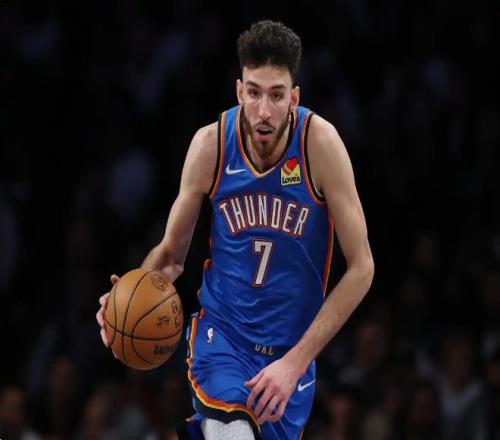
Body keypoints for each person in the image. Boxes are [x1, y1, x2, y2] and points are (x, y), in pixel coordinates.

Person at [96, 19, 374, 440]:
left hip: (289, 357)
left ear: (294, 97)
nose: (264, 111)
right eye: (255, 93)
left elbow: (362, 268)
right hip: (222, 338)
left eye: (277, 95)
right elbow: (170, 258)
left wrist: (296, 362)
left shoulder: (320, 145)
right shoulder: (211, 145)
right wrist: (125, 299)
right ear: (239, 91)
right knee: (234, 432)